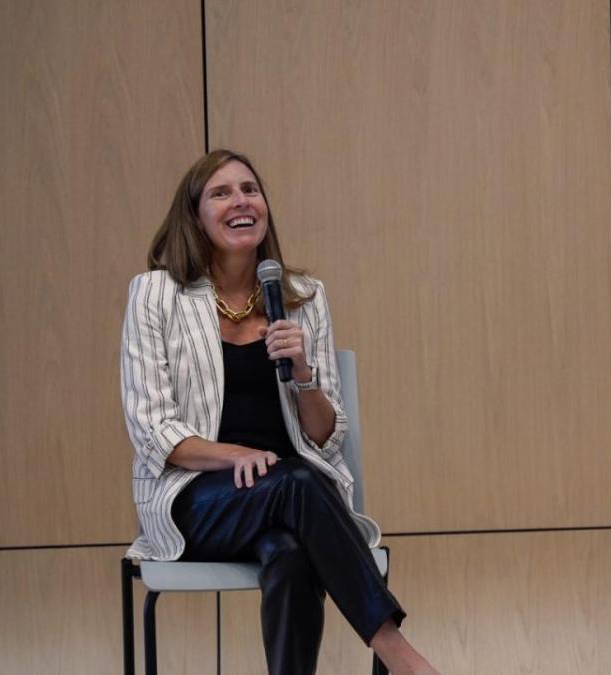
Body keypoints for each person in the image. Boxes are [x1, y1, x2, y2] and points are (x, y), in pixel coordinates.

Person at [120, 149, 439, 675]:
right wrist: (234, 455)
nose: (240, 201)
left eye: (250, 189)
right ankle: (402, 657)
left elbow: (325, 437)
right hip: (196, 500)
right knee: (295, 481)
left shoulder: (302, 297)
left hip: (291, 501)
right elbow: (152, 430)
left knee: (290, 550)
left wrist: (305, 373)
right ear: (195, 215)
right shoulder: (157, 295)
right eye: (221, 193)